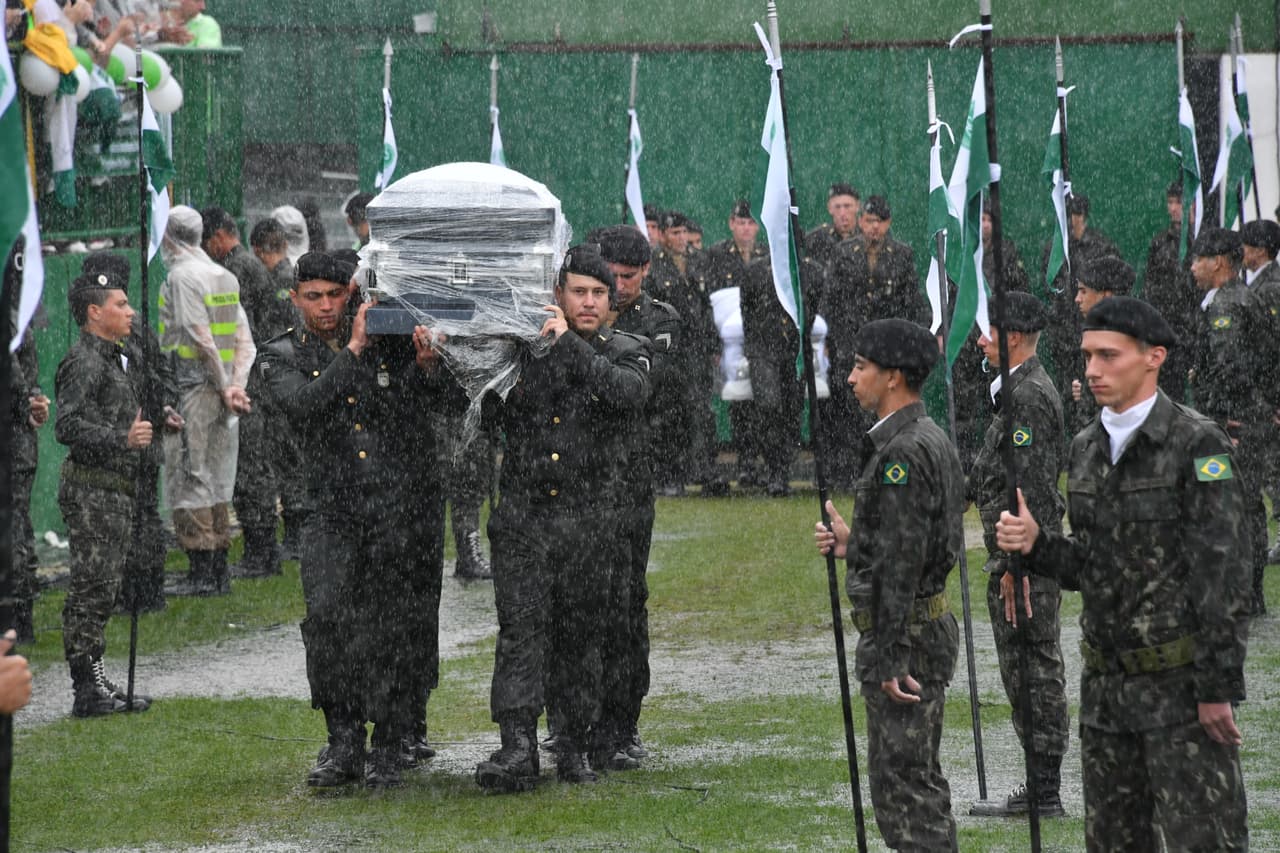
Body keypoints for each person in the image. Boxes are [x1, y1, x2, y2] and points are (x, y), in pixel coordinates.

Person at [997, 295, 1250, 852]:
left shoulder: (1195, 443)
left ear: (1153, 357)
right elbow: (1095, 565)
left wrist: (1216, 686)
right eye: (1088, 356)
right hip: (1107, 693)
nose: (1092, 370)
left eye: (1109, 356)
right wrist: (1038, 546)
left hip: (1179, 692)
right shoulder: (1087, 448)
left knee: (1205, 839)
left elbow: (1224, 574)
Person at [259, 252, 458, 788]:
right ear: (295, 298)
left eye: (335, 295)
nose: (326, 307)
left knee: (394, 621)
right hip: (332, 508)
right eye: (313, 297)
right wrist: (352, 350)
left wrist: (427, 367)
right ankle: (342, 738)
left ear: (352, 292)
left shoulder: (390, 337)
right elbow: (303, 408)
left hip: (397, 506)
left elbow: (438, 408)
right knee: (327, 620)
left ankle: (391, 739)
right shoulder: (281, 355)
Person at [474, 245, 651, 792]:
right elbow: (479, 407)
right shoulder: (520, 353)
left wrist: (568, 343)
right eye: (579, 291)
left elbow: (627, 394)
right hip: (525, 518)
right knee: (521, 633)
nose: (590, 302)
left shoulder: (629, 349)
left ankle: (573, 743)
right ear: (558, 294)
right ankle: (518, 746)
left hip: (589, 520)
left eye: (599, 293)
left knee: (581, 635)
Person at [813, 318, 962, 851]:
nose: (851, 378)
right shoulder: (926, 436)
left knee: (904, 790)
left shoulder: (901, 452)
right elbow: (915, 543)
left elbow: (903, 564)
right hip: (919, 629)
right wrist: (858, 544)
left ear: (893, 377)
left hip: (909, 639)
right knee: (913, 778)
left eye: (860, 366)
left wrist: (889, 654)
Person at [965, 292, 1069, 818]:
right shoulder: (1016, 390)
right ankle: (1040, 784)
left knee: (1033, 667)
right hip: (1018, 556)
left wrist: (1016, 565)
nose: (980, 340)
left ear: (1012, 337)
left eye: (988, 332)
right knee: (1023, 667)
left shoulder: (1027, 396)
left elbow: (1028, 489)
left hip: (1024, 561)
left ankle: (1045, 791)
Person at [588, 224, 680, 769]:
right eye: (609, 276)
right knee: (575, 603)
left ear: (645, 272)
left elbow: (654, 396)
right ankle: (572, 717)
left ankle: (623, 722)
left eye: (626, 278)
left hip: (628, 478)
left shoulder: (659, 322)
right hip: (578, 479)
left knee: (625, 602)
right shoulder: (575, 314)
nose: (616, 287)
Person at [55, 271, 155, 716]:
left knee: (106, 586)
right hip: (93, 490)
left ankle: (96, 676)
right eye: (120, 304)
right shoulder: (85, 361)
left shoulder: (115, 358)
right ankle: (85, 687)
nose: (130, 311)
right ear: (95, 312)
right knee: (91, 588)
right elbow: (68, 425)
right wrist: (122, 438)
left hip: (114, 489)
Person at [158, 207, 255, 596]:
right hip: (223, 393)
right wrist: (235, 386)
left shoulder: (182, 277)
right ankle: (219, 569)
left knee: (190, 474)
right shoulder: (222, 274)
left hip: (193, 388)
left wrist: (220, 383)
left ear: (168, 237)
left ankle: (203, 570)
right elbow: (244, 340)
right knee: (215, 475)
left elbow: (200, 338)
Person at [80, 251, 182, 615]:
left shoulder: (120, 327)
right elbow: (161, 376)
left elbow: (143, 378)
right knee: (142, 516)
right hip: (138, 433)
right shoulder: (137, 323)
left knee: (132, 518)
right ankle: (146, 590)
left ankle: (139, 591)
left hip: (128, 436)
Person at [1187, 228, 1274, 617]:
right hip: (1246, 420)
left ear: (1218, 262)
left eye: (1197, 260)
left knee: (1229, 502)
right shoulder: (1238, 299)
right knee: (1245, 502)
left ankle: (1239, 593)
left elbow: (1230, 368)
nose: (1192, 268)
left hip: (1231, 425)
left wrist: (1221, 417)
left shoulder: (1227, 305)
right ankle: (1247, 592)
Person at [821, 195, 926, 488]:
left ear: (888, 223)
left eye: (879, 222)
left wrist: (921, 333)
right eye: (868, 221)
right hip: (851, 344)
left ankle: (884, 468)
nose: (873, 228)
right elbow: (831, 300)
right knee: (850, 410)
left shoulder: (901, 254)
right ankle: (853, 471)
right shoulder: (843, 252)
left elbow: (911, 301)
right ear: (861, 222)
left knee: (885, 409)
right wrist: (829, 340)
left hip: (888, 347)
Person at [203, 206, 282, 578]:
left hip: (250, 377)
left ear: (219, 235)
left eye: (208, 242)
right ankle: (263, 550)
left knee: (251, 467)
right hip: (257, 375)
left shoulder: (237, 270)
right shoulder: (248, 266)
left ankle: (261, 552)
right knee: (254, 465)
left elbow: (236, 329)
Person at [646, 210, 723, 496]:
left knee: (701, 410)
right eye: (674, 233)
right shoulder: (654, 265)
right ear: (664, 235)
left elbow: (709, 307)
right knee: (669, 413)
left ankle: (705, 471)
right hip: (669, 350)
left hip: (697, 349)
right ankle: (670, 475)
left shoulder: (700, 261)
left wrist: (713, 345)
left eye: (683, 233)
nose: (680, 239)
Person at [249, 217, 307, 558]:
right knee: (288, 456)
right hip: (287, 376)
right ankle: (296, 530)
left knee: (289, 455)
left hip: (284, 379)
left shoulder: (281, 281)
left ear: (259, 249)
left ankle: (297, 533)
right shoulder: (289, 277)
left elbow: (283, 334)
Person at [5, 242, 48, 643]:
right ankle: (22, 612)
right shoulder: (21, 308)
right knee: (18, 522)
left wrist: (27, 402)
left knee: (14, 525)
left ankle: (17, 616)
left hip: (12, 435)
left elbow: (18, 374)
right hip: (18, 435)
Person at [1042, 194, 1122, 407]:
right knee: (1067, 396)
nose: (1072, 220)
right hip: (1064, 337)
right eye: (1069, 214)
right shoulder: (1055, 250)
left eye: (1076, 214)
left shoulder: (1101, 246)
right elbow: (1049, 288)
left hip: (1094, 330)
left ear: (1084, 217)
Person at [1240, 219, 1280, 565]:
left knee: (1274, 467)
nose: (1243, 252)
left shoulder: (1273, 287)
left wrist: (1273, 398)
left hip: (1269, 394)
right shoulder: (1249, 283)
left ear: (1263, 250)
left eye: (1249, 246)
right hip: (1256, 397)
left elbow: (1272, 349)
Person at [1141, 181, 1197, 402]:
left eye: (1179, 202)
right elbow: (1150, 287)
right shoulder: (1160, 243)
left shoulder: (1203, 241)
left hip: (1197, 330)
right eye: (1170, 202)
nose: (1174, 208)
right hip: (1170, 331)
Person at [1066, 256, 1133, 433]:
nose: (1077, 299)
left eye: (1083, 291)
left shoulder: (1128, 338)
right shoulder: (1094, 331)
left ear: (1105, 295)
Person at [805, 182, 861, 272]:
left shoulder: (868, 237)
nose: (842, 213)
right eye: (837, 207)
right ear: (830, 208)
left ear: (858, 206)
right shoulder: (817, 239)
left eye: (847, 206)